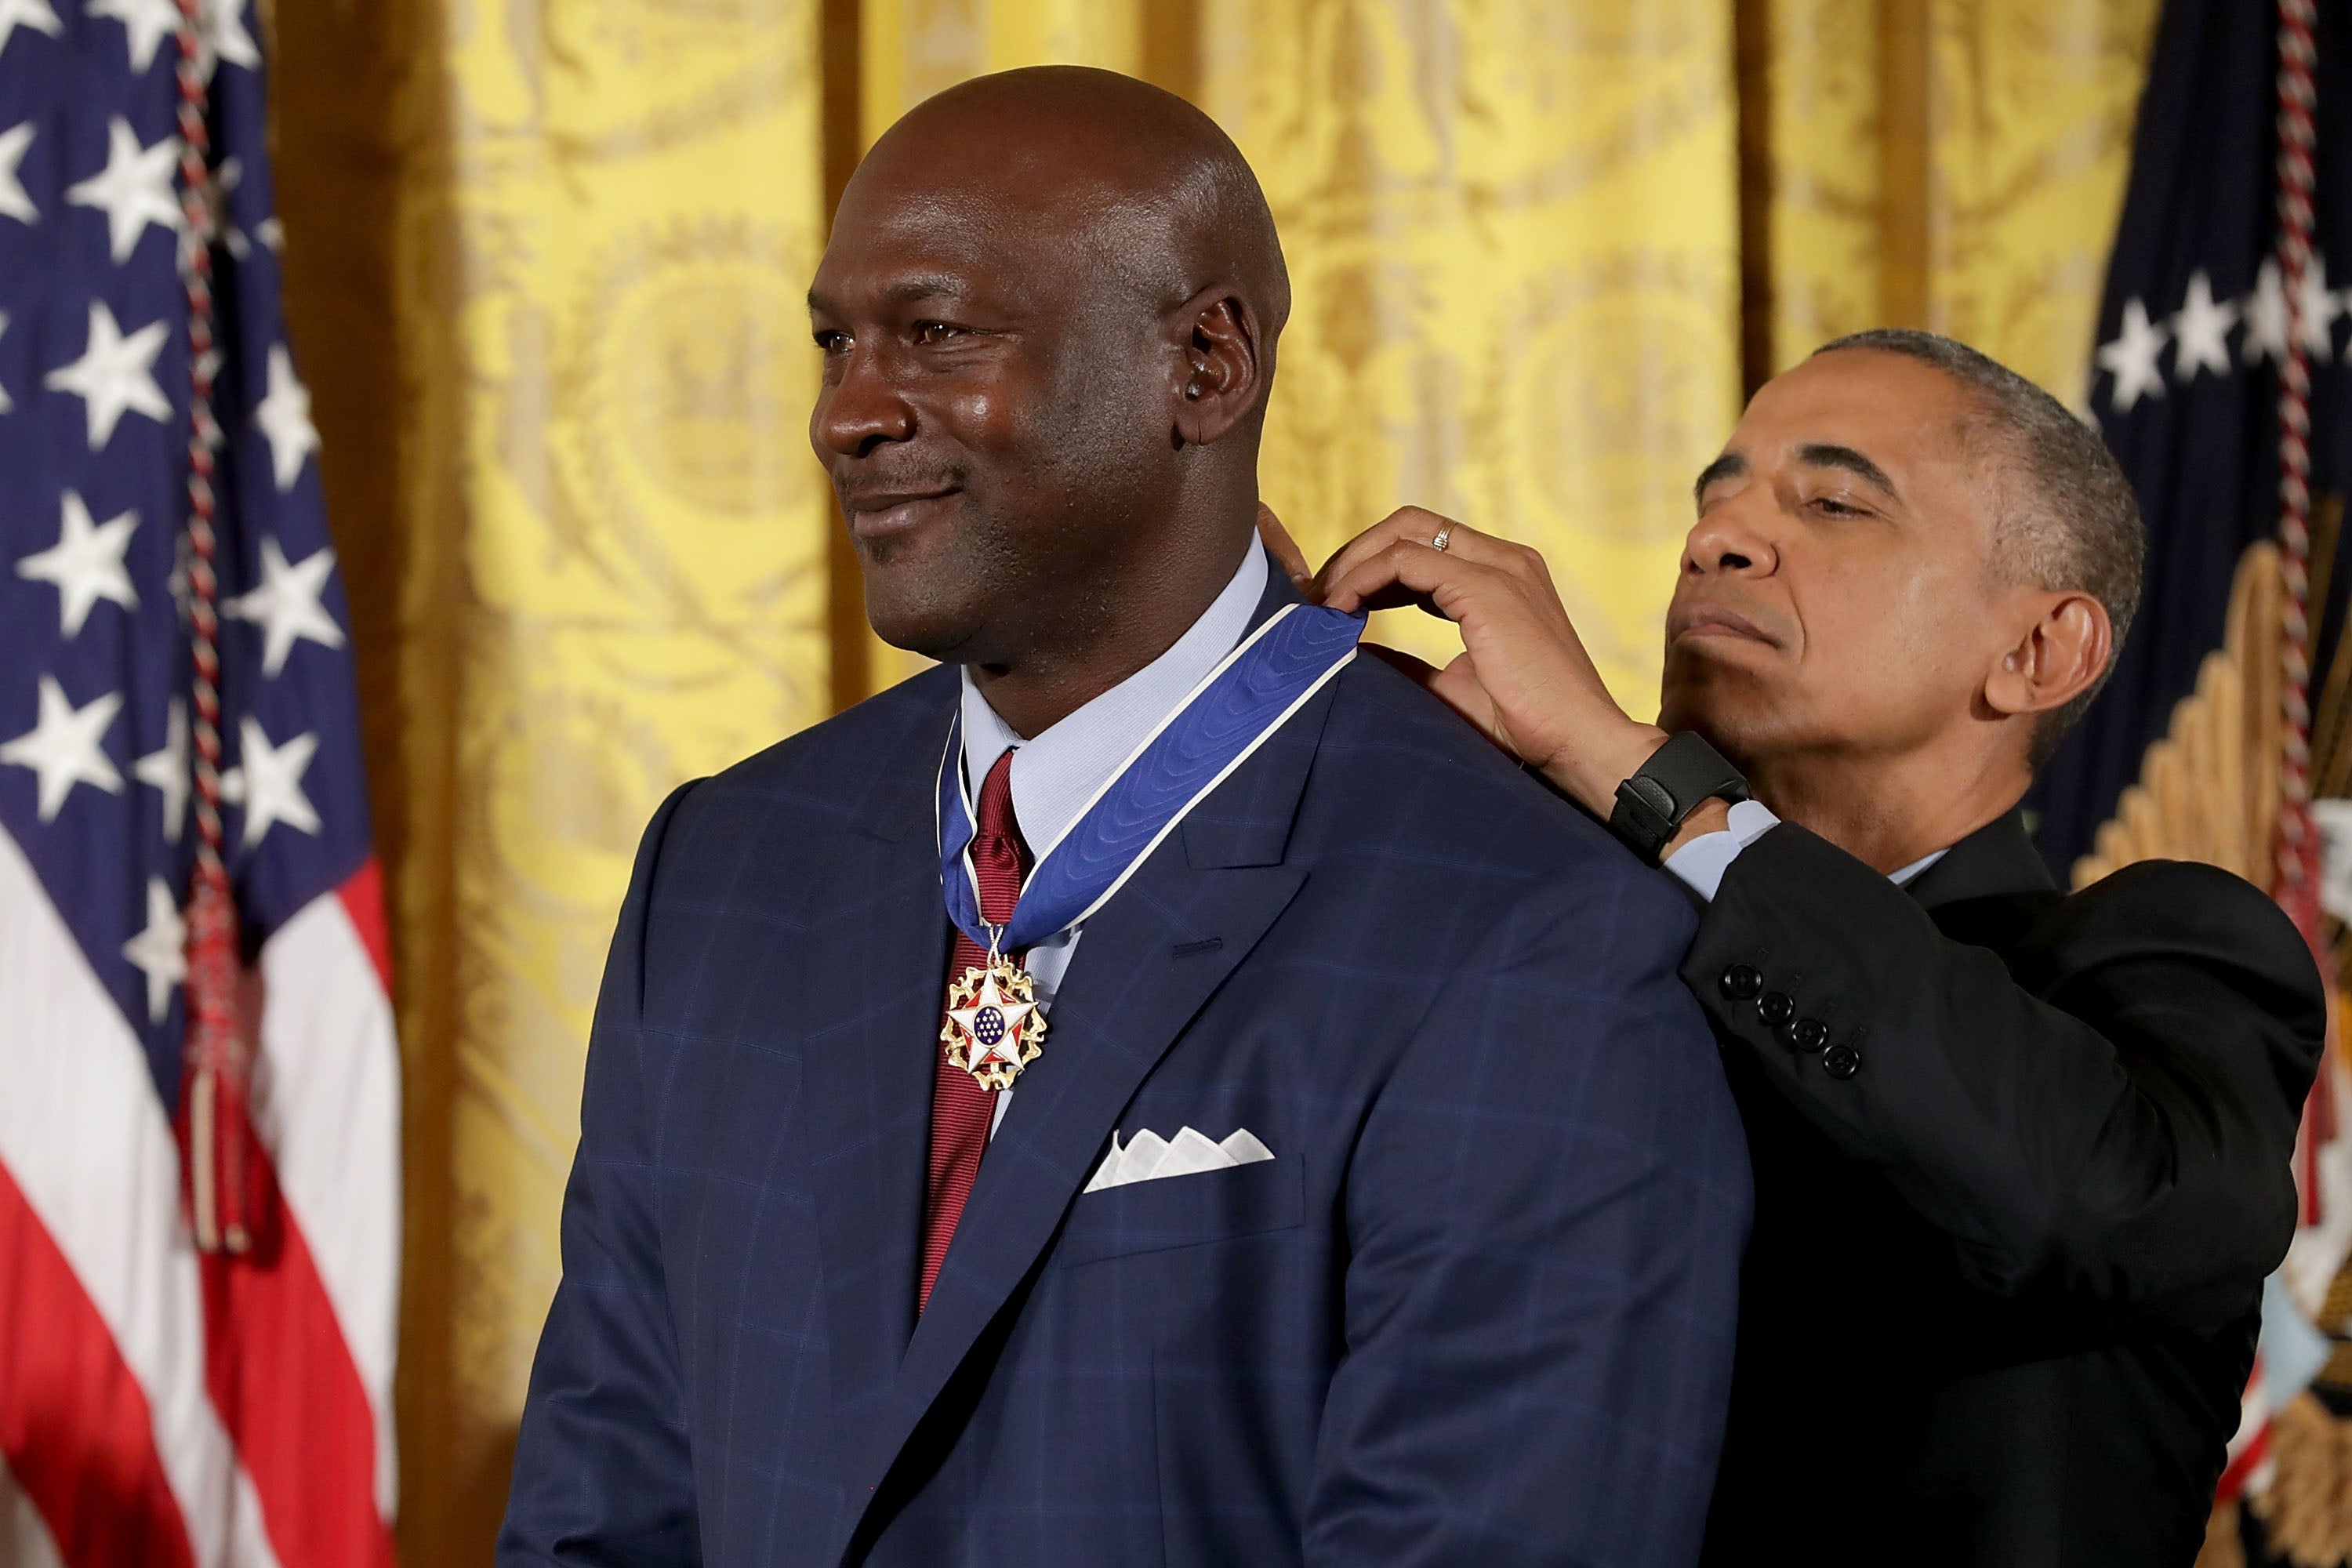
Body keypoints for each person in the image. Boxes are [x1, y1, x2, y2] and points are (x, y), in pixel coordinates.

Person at [497, 66, 1751, 1568]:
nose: (847, 414)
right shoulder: (725, 868)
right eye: (835, 342)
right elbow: (605, 1510)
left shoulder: (1527, 931)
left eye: (936, 332)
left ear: (1206, 367)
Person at [1272, 329, 2327, 1566]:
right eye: (1713, 499)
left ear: (2040, 651)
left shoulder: (2169, 954)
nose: (1716, 541)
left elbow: (2081, 1199)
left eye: (1832, 502)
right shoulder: (1561, 937)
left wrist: (1627, 768)